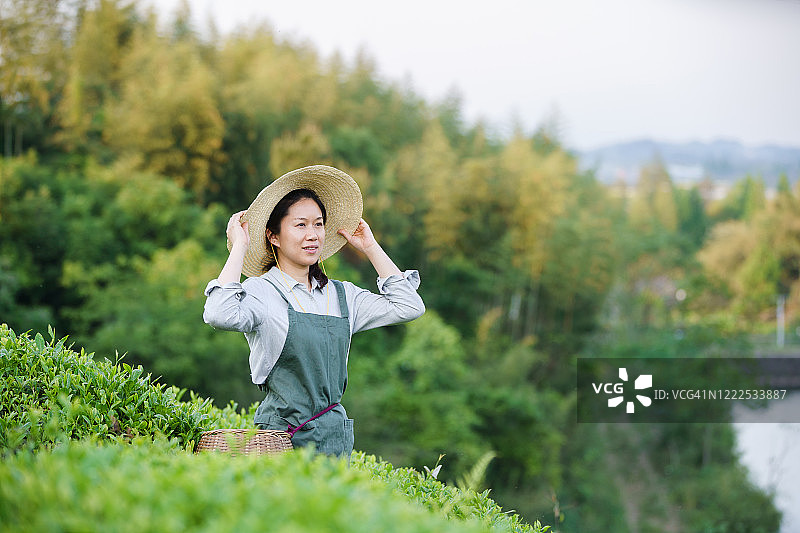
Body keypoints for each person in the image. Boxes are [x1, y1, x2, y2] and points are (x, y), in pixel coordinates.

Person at [203, 165, 425, 459]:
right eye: (301, 225)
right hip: (280, 440)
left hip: (333, 439)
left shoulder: (343, 295)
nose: (313, 235)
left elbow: (409, 306)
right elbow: (218, 313)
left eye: (318, 224)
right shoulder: (262, 291)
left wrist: (371, 247)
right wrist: (239, 247)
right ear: (274, 236)